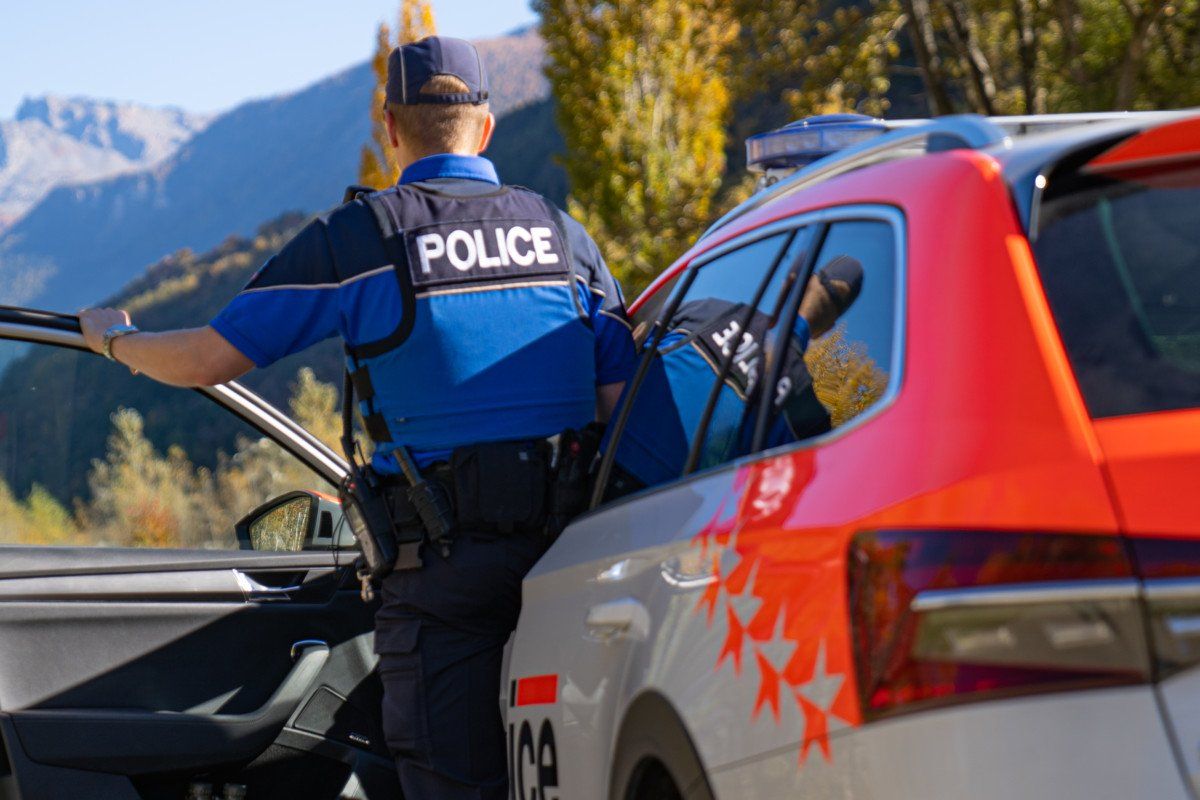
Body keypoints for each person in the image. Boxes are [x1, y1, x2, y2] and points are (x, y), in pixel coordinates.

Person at [78, 36, 637, 800]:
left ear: (391, 128)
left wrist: (115, 338)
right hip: (579, 561)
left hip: (444, 579)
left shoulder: (361, 240)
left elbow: (208, 359)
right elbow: (621, 403)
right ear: (488, 127)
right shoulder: (565, 240)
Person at [609, 255, 863, 493]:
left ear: (788, 284)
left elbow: (621, 367)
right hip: (680, 520)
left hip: (604, 481)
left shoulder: (705, 311)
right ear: (828, 329)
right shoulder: (806, 411)